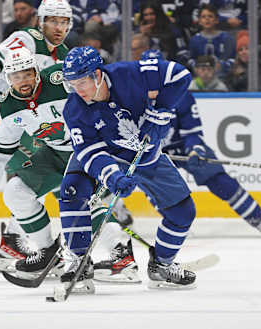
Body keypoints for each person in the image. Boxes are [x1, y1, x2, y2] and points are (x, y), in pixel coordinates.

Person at [0, 47, 139, 283]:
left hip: (87, 149)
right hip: (53, 153)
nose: (23, 81)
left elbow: (98, 90)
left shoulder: (58, 79)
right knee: (15, 193)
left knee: (83, 200)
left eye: (27, 74)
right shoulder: (9, 106)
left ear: (36, 72)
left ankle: (121, 253)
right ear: (7, 79)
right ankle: (49, 252)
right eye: (16, 76)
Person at [59, 46, 198, 293]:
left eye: (82, 82)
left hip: (147, 157)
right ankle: (79, 262)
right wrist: (112, 176)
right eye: (72, 84)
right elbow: (90, 152)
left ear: (98, 74)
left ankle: (162, 265)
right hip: (109, 155)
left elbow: (180, 75)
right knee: (72, 189)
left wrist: (162, 111)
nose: (78, 90)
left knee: (183, 211)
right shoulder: (74, 109)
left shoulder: (130, 73)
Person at [142, 49, 261, 238]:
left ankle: (260, 221)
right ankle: (174, 225)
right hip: (150, 153)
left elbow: (192, 131)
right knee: (157, 188)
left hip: (181, 147)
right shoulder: (131, 97)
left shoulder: (180, 95)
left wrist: (195, 148)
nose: (153, 77)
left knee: (219, 180)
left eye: (157, 71)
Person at [189, 4, 236, 78]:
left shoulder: (226, 38)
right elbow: (191, 59)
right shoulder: (194, 40)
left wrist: (222, 66)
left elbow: (232, 59)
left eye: (210, 16)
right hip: (200, 79)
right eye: (203, 17)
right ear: (200, 21)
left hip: (223, 78)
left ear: (216, 20)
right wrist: (197, 68)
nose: (207, 19)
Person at [136, 0, 189, 65]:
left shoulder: (173, 29)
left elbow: (183, 53)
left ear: (158, 14)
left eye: (152, 14)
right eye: (146, 15)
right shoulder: (138, 32)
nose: (149, 18)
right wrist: (142, 36)